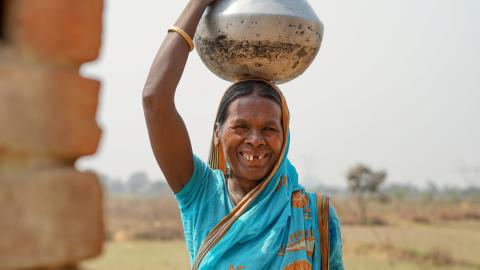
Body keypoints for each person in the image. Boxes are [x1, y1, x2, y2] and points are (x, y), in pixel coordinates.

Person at [142, 0, 345, 269]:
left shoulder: (315, 215)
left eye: (269, 129)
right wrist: (198, 4)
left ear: (285, 138)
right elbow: (154, 100)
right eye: (241, 127)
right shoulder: (203, 195)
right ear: (218, 133)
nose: (255, 139)